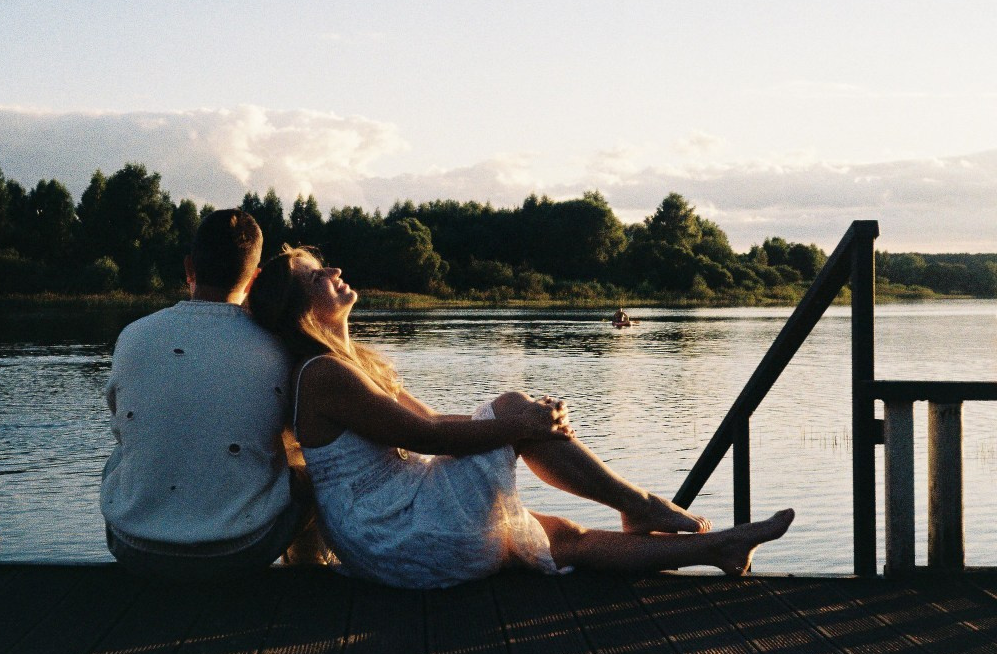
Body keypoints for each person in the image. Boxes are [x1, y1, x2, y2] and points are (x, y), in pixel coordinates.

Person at [248, 246, 794, 590]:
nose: (336, 269)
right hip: (394, 531)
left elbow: (436, 418)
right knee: (510, 406)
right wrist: (522, 424)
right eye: (318, 274)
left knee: (565, 537)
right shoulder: (321, 373)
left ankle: (718, 546)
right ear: (304, 309)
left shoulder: (352, 363)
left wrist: (529, 424)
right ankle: (640, 504)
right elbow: (427, 436)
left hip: (399, 526)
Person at [100, 209, 321, 582]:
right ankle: (306, 578)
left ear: (190, 266)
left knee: (122, 451)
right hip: (243, 551)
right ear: (255, 278)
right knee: (309, 465)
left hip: (134, 548)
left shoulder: (133, 336)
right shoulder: (276, 344)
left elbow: (123, 428)